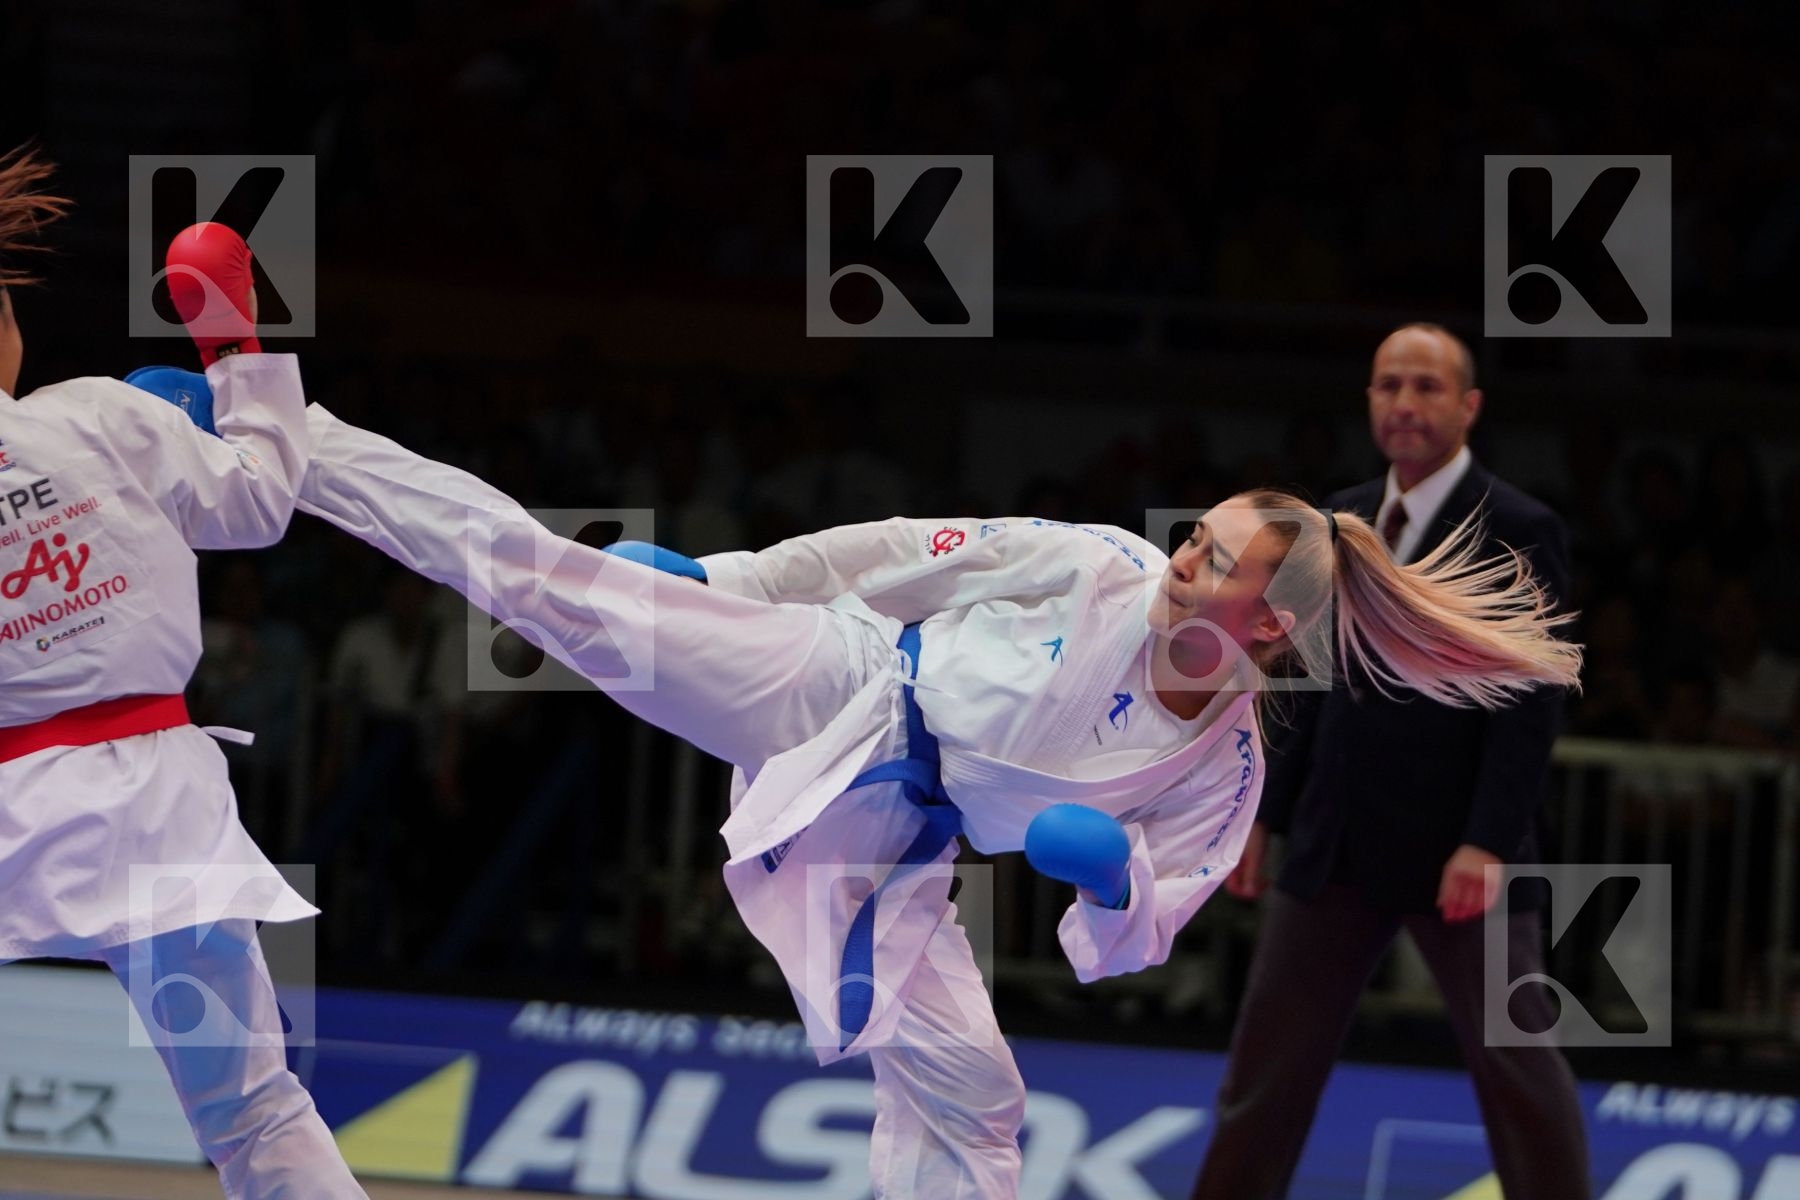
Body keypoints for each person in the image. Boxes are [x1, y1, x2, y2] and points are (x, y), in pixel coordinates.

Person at [130, 368, 1580, 1197]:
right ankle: (268, 430)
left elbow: (1148, 922)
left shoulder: (1226, 764)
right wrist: (726, 576)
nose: (1182, 564)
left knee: (974, 1095)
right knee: (551, 583)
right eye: (1192, 539)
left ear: (1272, 622)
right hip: (829, 682)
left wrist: (1106, 870)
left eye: (1216, 564)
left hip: (894, 845)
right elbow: (894, 546)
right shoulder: (1098, 563)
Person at [0, 148, 366, 1198]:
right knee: (252, 1111)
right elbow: (260, 506)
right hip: (159, 806)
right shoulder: (107, 417)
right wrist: (234, 346)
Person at [1193, 323, 1591, 1199]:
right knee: (1265, 1074)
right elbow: (1299, 677)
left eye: (1426, 388)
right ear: (1370, 399)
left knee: (1519, 1071)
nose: (1405, 404)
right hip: (1334, 837)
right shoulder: (1336, 518)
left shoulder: (1520, 526)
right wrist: (1262, 812)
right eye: (1388, 387)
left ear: (1469, 406)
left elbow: (1531, 700)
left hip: (1462, 848)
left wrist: (1488, 838)